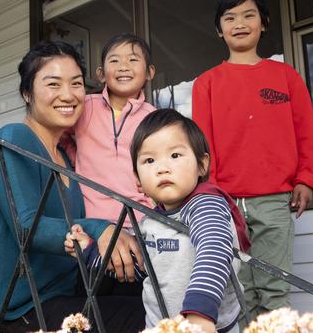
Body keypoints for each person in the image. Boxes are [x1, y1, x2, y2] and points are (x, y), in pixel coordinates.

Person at [0, 40, 145, 332]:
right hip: (22, 310)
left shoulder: (67, 158)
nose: (68, 95)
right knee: (145, 317)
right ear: (27, 93)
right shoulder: (13, 138)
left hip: (70, 296)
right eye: (53, 84)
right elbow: (28, 227)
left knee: (153, 294)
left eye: (77, 83)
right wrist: (99, 227)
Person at [191, 0, 313, 322]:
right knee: (239, 291)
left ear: (264, 22)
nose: (239, 23)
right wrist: (213, 193)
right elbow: (201, 146)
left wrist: (307, 179)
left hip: (276, 199)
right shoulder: (207, 82)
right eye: (230, 17)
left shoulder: (286, 76)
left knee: (274, 289)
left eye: (249, 15)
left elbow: (306, 133)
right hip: (226, 201)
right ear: (218, 29)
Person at [65, 109, 243, 333]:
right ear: (137, 180)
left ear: (202, 164)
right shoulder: (150, 222)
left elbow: (214, 249)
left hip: (208, 325)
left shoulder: (206, 205)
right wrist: (89, 251)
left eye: (175, 156)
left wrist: (200, 312)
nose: (162, 168)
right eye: (149, 160)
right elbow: (138, 266)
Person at [72, 33, 157, 231]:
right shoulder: (85, 106)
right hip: (91, 222)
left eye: (133, 60)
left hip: (141, 220)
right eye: (115, 60)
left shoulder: (154, 119)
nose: (123, 66)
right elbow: (61, 137)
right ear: (101, 74)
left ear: (149, 72)